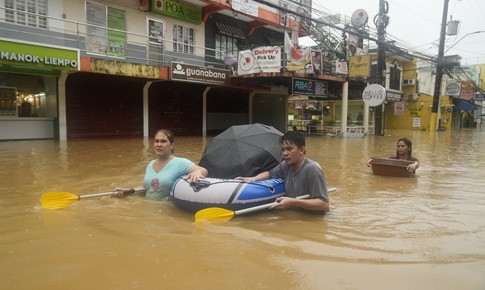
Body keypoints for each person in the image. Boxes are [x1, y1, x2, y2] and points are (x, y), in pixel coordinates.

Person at [236, 131, 330, 214]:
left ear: (301, 150)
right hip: (295, 216)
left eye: (289, 149)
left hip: (312, 220)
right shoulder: (285, 165)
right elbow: (270, 174)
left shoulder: (312, 170)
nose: (285, 153)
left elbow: (324, 204)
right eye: (283, 149)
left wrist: (294, 202)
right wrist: (253, 179)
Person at [114, 129, 208, 200]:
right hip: (147, 210)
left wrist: (197, 172)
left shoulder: (180, 162)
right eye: (156, 141)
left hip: (166, 210)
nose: (159, 144)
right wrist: (126, 191)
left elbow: (204, 170)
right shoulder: (150, 164)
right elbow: (147, 188)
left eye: (163, 141)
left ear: (171, 145)